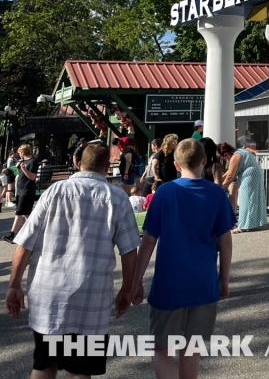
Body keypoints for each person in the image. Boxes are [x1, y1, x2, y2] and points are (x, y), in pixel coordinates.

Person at [4, 141, 139, 378]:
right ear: (108, 167)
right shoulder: (117, 198)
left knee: (44, 366)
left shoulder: (53, 192)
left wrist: (14, 285)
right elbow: (128, 251)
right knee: (80, 372)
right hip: (92, 302)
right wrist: (127, 289)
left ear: (77, 163)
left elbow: (25, 244)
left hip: (50, 299)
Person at [132, 138, 236, 379]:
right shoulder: (217, 194)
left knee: (161, 347)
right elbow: (226, 242)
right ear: (205, 160)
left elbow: (148, 241)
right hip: (203, 281)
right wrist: (224, 278)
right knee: (192, 348)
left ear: (177, 165)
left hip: (168, 282)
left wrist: (135, 280)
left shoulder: (165, 192)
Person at [221, 139, 267, 232]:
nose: (226, 160)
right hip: (255, 174)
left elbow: (230, 174)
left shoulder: (235, 156)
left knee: (245, 200)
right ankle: (253, 222)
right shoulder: (240, 151)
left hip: (249, 176)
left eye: (225, 158)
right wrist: (223, 179)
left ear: (226, 154)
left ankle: (242, 225)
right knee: (254, 198)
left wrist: (223, 185)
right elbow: (230, 174)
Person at [3, 143, 38, 244]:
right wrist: (15, 167)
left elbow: (32, 177)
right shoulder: (22, 161)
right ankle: (35, 233)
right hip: (20, 189)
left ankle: (12, 234)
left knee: (19, 212)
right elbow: (14, 170)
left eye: (19, 153)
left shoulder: (33, 161)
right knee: (26, 213)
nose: (18, 155)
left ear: (23, 153)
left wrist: (23, 168)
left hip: (27, 190)